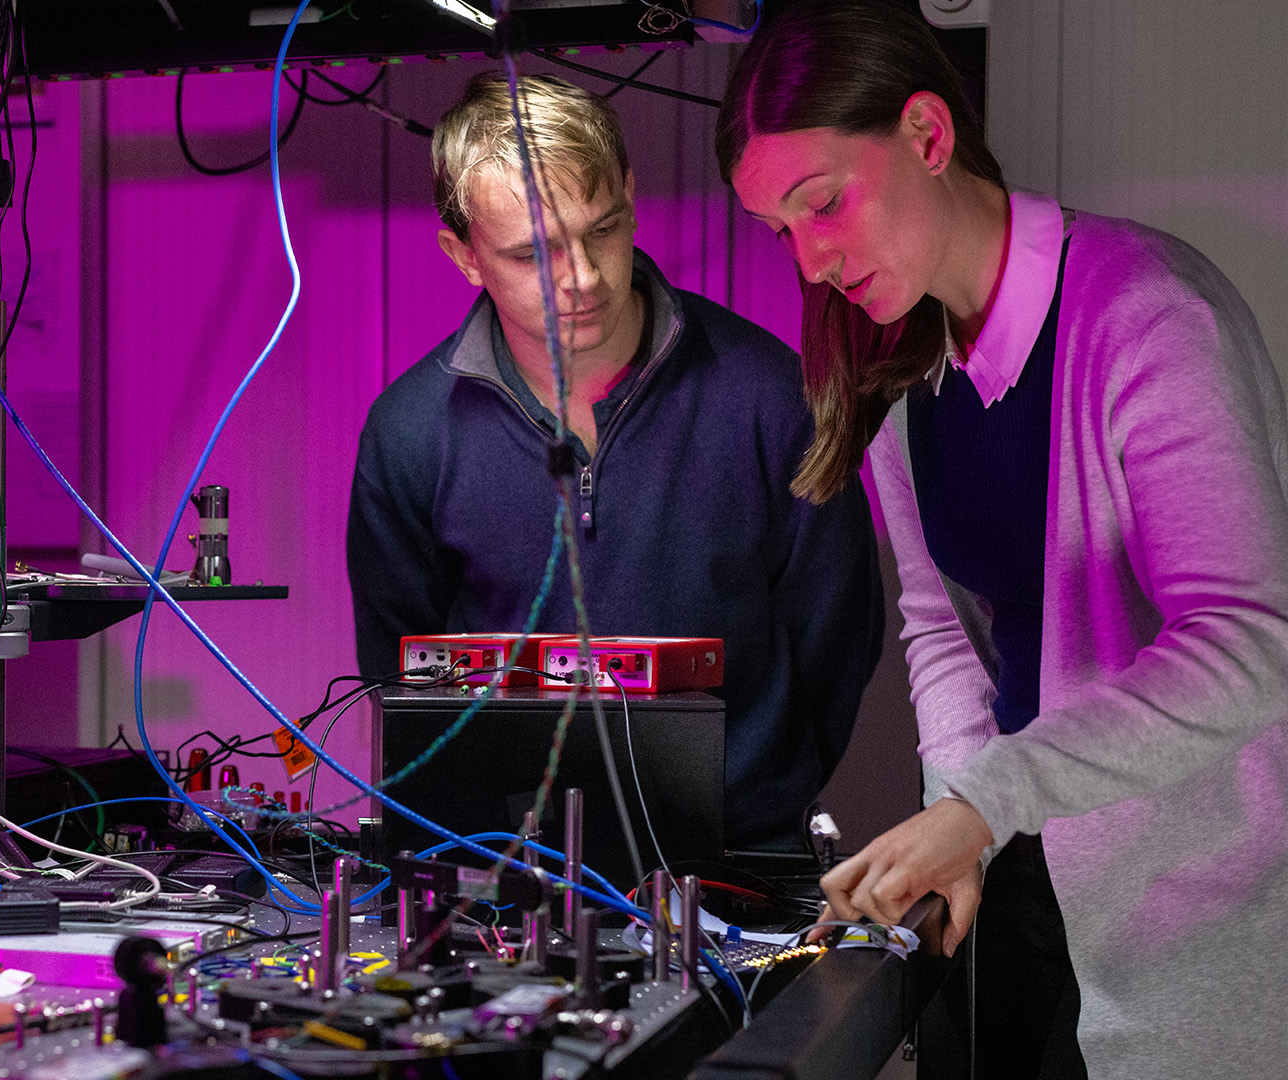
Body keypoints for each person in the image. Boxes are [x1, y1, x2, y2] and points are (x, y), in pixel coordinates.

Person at [719, 2, 1288, 1077]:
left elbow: (1249, 644)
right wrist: (959, 821)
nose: (812, 261)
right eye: (780, 231)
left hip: (1190, 904)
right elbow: (940, 632)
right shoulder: (907, 375)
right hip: (1020, 875)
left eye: (824, 204)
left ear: (928, 134)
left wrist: (987, 801)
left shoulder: (1150, 313)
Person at [346, 72, 884, 851]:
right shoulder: (409, 434)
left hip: (741, 857)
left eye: (601, 230)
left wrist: (750, 801)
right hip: (506, 866)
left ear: (630, 195)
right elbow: (405, 687)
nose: (583, 277)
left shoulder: (770, 396)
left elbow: (837, 642)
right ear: (464, 257)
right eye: (533, 254)